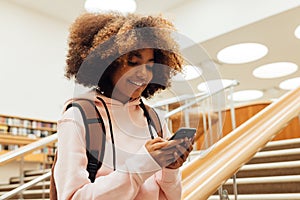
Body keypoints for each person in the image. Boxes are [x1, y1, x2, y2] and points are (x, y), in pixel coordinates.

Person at [53, 12, 194, 200]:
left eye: (150, 66)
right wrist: (141, 165)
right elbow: (72, 197)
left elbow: (172, 197)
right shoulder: (78, 116)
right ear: (108, 63)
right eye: (133, 62)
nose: (143, 74)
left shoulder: (155, 119)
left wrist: (170, 169)